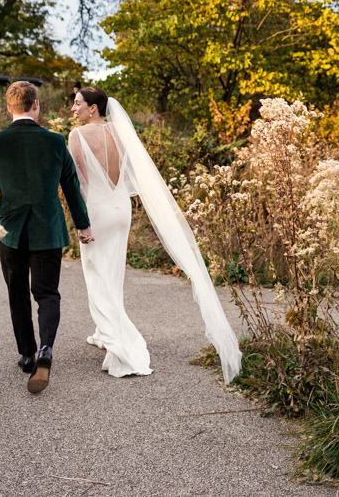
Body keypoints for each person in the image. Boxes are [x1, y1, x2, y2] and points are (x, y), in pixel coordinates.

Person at [68, 87, 242, 382]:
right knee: (114, 272)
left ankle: (118, 345)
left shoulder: (77, 135)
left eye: (77, 104)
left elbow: (77, 180)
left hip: (95, 209)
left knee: (96, 274)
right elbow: (133, 173)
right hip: (121, 207)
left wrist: (80, 217)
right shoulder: (122, 133)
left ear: (93, 108)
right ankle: (102, 332)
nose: (74, 109)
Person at [0, 81, 94, 395]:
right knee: (47, 294)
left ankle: (27, 354)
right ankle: (46, 349)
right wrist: (83, 224)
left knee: (16, 292)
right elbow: (71, 187)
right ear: (36, 105)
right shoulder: (55, 142)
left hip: (10, 232)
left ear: (9, 107)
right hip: (48, 229)